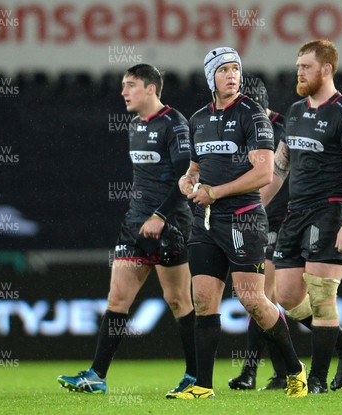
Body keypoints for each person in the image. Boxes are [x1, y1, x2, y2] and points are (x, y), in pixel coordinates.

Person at [166, 47, 307, 399]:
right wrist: (187, 181)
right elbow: (195, 169)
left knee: (253, 301)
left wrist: (215, 193)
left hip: (244, 221)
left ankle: (294, 369)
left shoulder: (253, 115)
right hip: (206, 223)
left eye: (235, 68)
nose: (232, 75)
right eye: (224, 69)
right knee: (203, 300)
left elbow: (263, 172)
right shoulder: (197, 119)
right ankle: (202, 386)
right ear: (209, 77)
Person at [57, 64, 196, 395]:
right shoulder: (134, 125)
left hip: (170, 224)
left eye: (130, 85)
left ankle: (195, 374)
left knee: (177, 300)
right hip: (136, 223)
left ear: (151, 89)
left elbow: (188, 180)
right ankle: (96, 376)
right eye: (123, 86)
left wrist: (161, 216)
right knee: (117, 297)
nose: (123, 92)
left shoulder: (174, 124)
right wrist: (142, 216)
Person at [260, 39, 342, 394]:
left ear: (327, 69)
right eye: (297, 67)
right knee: (288, 296)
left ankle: (318, 382)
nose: (299, 73)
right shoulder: (294, 112)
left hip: (331, 211)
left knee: (322, 296)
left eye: (305, 67)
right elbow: (279, 169)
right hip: (296, 212)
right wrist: (252, 209)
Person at [228, 74, 288, 391]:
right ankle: (281, 373)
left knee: (262, 297)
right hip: (251, 219)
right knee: (266, 299)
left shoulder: (284, 129)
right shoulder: (238, 126)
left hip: (279, 221)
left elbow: (274, 177)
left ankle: (253, 372)